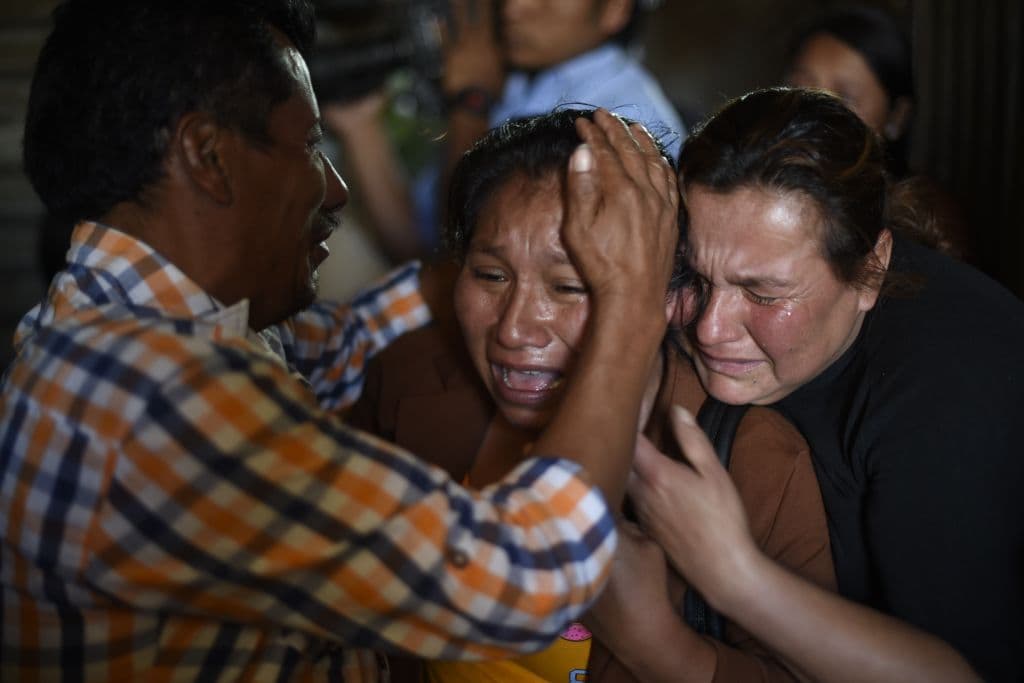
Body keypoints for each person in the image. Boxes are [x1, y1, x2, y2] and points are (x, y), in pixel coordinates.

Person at [0, 0, 682, 679]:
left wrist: (505, 253)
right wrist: (628, 298)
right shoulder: (158, 395)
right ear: (207, 155)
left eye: (566, 287)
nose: (335, 188)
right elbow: (526, 572)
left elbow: (344, 339)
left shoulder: (117, 326)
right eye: (309, 148)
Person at [348, 109, 835, 682]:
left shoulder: (754, 465)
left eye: (570, 286)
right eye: (490, 276)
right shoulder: (405, 382)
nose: (515, 330)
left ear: (668, 298)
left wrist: (664, 647)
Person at [625, 87, 1024, 682]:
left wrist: (730, 573)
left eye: (763, 294)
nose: (710, 327)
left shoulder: (943, 402)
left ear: (869, 271)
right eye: (696, 275)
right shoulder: (705, 302)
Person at [325, 0, 685, 262]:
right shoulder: (520, 85)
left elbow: (457, 257)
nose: (515, 8)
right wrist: (361, 126)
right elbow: (417, 245)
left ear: (614, 9)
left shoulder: (624, 121)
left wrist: (471, 104)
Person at [783, 4, 971, 259]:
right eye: (800, 88)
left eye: (845, 98)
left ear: (896, 117)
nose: (815, 111)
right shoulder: (759, 191)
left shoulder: (928, 224)